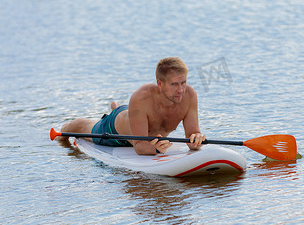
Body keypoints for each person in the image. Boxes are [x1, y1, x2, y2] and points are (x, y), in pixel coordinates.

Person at [56, 57, 206, 155]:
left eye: (183, 82)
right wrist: (154, 148)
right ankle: (64, 129)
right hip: (116, 130)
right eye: (174, 84)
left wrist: (196, 140)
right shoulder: (141, 97)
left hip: (136, 118)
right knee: (80, 127)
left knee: (129, 112)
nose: (181, 90)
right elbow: (140, 146)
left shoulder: (190, 96)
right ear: (160, 84)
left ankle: (117, 106)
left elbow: (192, 138)